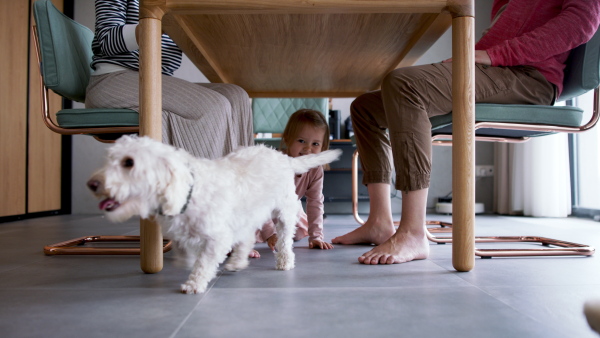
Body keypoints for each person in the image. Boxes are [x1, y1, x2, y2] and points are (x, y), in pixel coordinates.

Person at [332, 0, 600, 265]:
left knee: (404, 85)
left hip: (529, 77)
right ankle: (380, 221)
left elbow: (582, 22)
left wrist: (496, 56)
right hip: (496, 70)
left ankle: (413, 232)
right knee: (365, 108)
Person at [85, 0, 253, 161]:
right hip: (113, 80)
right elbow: (105, 40)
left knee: (236, 95)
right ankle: (204, 187)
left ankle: (241, 186)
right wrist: (156, 25)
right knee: (213, 105)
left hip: (154, 78)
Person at [255, 109, 334, 254]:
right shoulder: (276, 165)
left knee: (296, 232)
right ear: (287, 139)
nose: (308, 149)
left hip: (286, 208)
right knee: (250, 230)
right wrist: (270, 234)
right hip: (260, 207)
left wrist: (316, 236)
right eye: (301, 141)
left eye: (315, 144)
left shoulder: (315, 169)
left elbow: (315, 201)